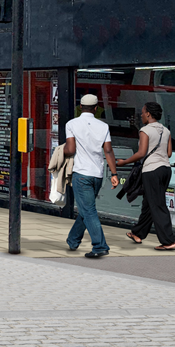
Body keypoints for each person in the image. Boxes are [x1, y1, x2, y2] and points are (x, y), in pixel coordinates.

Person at [64, 94, 120, 259]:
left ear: (80, 107)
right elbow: (108, 151)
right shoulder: (103, 126)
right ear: (96, 108)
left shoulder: (72, 124)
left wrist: (60, 151)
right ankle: (73, 240)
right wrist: (114, 174)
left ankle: (100, 246)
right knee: (86, 209)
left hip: (81, 173)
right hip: (97, 174)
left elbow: (71, 149)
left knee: (88, 210)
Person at [116, 102, 175, 250]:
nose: (141, 115)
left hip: (151, 170)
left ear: (148, 114)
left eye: (142, 112)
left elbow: (141, 153)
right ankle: (138, 233)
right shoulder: (165, 130)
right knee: (149, 203)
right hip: (165, 169)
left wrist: (124, 162)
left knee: (157, 205)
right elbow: (169, 154)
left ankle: (168, 240)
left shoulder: (145, 130)